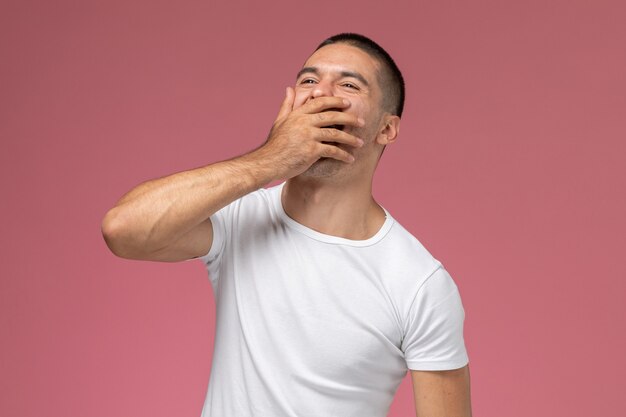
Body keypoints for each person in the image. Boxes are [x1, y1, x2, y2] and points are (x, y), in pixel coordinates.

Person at [102, 33, 472, 417]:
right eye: (308, 81)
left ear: (386, 129)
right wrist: (271, 158)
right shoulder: (239, 219)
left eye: (348, 85)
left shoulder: (419, 284)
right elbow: (122, 230)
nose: (319, 95)